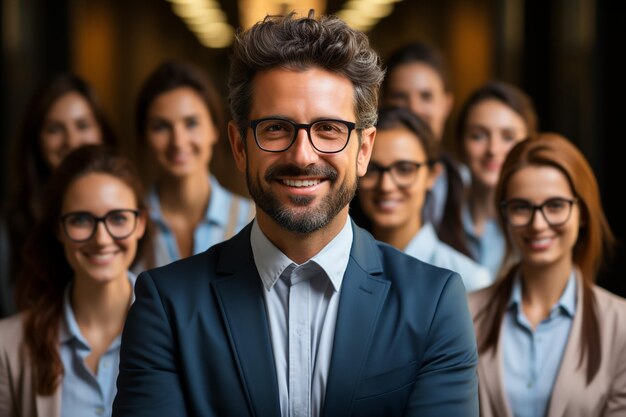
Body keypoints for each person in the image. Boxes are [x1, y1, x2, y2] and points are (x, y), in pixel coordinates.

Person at [113, 11, 478, 417]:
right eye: (275, 128)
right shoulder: (166, 305)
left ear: (364, 150)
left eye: (328, 129)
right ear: (238, 146)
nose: (302, 156)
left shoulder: (433, 304)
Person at [469, 133, 626, 417]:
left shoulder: (621, 325)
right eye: (521, 207)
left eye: (555, 206)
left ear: (583, 214)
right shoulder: (465, 313)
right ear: (504, 214)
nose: (538, 224)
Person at [0, 145, 151, 417]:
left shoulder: (178, 330)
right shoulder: (7, 344)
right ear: (59, 229)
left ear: (140, 223)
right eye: (81, 220)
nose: (101, 239)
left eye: (118, 218)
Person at [1, 73, 117, 318]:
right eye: (54, 129)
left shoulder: (129, 211)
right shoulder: (9, 227)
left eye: (82, 125)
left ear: (102, 132)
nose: (72, 141)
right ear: (36, 140)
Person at [354, 106, 490, 292]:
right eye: (373, 169)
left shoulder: (468, 280)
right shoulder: (339, 267)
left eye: (404, 169)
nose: (386, 185)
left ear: (433, 175)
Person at [135, 60, 254, 268]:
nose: (178, 142)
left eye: (191, 123)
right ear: (144, 137)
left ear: (215, 129)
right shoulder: (127, 226)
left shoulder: (254, 221)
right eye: (161, 126)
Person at [382, 41, 468, 256]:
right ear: (382, 104)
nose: (414, 109)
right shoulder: (365, 185)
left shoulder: (469, 186)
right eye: (400, 97)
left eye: (426, 96)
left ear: (447, 104)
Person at [456, 80, 538, 279]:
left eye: (508, 137)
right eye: (478, 136)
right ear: (460, 142)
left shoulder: (538, 225)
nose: (493, 150)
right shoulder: (435, 213)